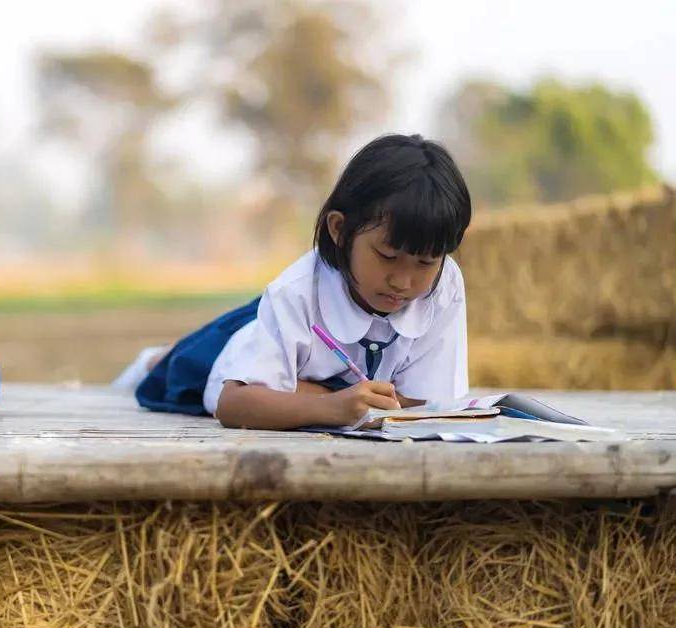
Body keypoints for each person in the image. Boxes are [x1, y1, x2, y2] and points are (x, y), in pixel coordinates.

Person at [113, 133, 472, 431]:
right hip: (241, 347)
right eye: (387, 256)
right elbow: (234, 402)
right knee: (179, 366)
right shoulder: (294, 292)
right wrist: (333, 406)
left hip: (294, 350)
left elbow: (429, 403)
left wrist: (308, 393)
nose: (403, 281)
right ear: (339, 230)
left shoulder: (445, 286)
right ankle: (155, 357)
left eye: (425, 262)